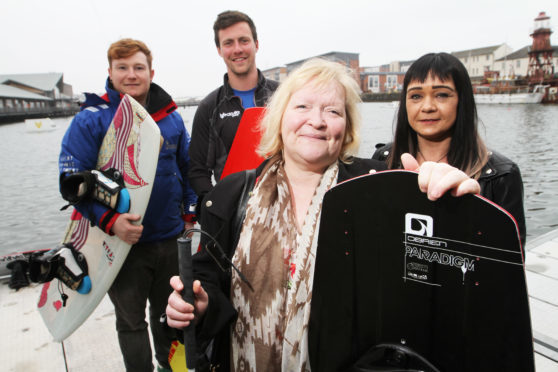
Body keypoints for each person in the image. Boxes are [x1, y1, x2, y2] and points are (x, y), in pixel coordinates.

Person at [165, 59, 480, 371]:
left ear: (347, 129)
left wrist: (447, 211)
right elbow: (207, 275)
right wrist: (200, 305)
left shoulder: (378, 189)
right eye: (302, 107)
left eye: (332, 111)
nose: (316, 121)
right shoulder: (232, 193)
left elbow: (423, 287)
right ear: (279, 118)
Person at [59, 38, 197, 372]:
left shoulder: (171, 118)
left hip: (169, 238)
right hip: (119, 246)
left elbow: (188, 168)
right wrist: (110, 221)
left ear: (151, 72)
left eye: (138, 68)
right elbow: (70, 184)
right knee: (131, 322)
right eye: (122, 68)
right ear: (110, 72)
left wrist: (191, 214)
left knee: (171, 314)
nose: (131, 75)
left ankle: (172, 368)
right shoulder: (91, 120)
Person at [372, 52, 526, 246]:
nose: (427, 106)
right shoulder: (384, 158)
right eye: (416, 96)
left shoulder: (501, 176)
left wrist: (474, 212)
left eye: (442, 95)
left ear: (462, 101)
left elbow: (511, 262)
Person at [188, 10, 279, 207]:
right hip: (234, 210)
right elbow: (198, 171)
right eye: (228, 43)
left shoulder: (284, 96)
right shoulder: (208, 108)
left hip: (282, 208)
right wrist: (214, 207)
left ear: (256, 44)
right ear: (219, 50)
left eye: (243, 40)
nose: (237, 49)